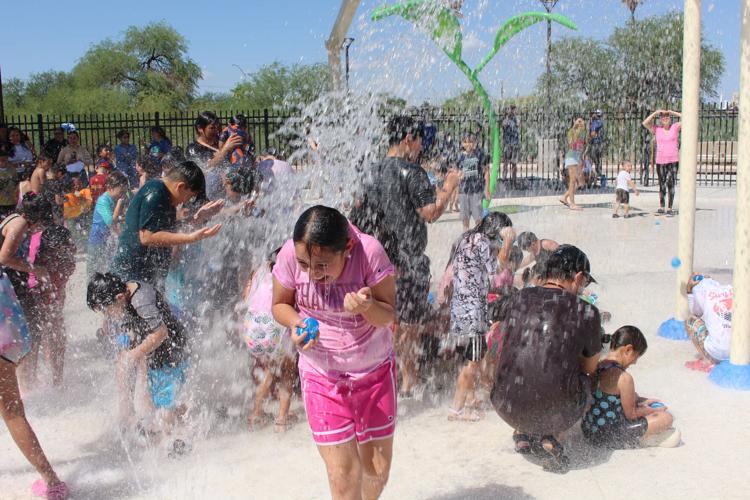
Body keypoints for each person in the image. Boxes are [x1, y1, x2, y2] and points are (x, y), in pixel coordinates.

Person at [272, 205, 397, 500]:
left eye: (322, 266)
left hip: (374, 373)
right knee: (343, 476)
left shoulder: (369, 253)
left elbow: (388, 315)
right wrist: (296, 323)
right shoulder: (290, 253)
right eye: (305, 265)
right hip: (322, 377)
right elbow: (280, 305)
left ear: (347, 248)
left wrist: (367, 307)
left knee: (376, 471)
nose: (313, 274)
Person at [350, 115, 460, 396]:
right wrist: (449, 187)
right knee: (408, 323)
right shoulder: (412, 172)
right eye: (420, 140)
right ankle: (408, 378)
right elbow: (431, 213)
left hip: (374, 263)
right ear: (408, 138)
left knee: (379, 318)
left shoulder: (370, 171)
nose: (422, 147)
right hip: (408, 262)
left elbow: (357, 217)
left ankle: (382, 374)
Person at [491, 245, 601, 472]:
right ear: (578, 277)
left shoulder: (519, 297)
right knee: (587, 378)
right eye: (585, 282)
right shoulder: (586, 311)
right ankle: (551, 436)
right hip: (555, 411)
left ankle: (522, 431)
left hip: (504, 404)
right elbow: (589, 367)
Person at [86, 272, 188, 446]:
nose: (107, 315)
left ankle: (178, 441)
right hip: (155, 353)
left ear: (118, 297)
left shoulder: (141, 300)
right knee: (157, 402)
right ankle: (174, 427)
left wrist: (133, 355)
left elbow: (161, 333)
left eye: (106, 310)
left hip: (171, 352)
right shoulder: (124, 295)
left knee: (165, 409)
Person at [0, 242, 68, 499]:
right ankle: (52, 481)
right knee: (13, 411)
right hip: (9, 327)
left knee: (11, 411)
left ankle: (53, 483)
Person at [110, 160, 223, 288]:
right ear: (180, 187)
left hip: (146, 274)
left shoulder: (164, 195)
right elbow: (147, 237)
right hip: (132, 274)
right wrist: (190, 238)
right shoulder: (156, 193)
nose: (187, 201)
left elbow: (166, 228)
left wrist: (198, 218)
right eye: (190, 196)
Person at [448, 213, 515, 422]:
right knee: (473, 362)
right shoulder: (482, 241)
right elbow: (497, 270)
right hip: (472, 311)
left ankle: (467, 401)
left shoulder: (467, 238)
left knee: (469, 358)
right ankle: (456, 410)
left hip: (460, 307)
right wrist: (509, 242)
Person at [582, 326, 680, 448]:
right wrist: (652, 410)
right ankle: (643, 440)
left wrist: (642, 400)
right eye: (636, 357)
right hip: (607, 436)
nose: (635, 362)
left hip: (588, 430)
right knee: (665, 418)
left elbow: (611, 397)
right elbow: (631, 415)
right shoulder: (624, 378)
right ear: (628, 350)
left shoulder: (597, 366)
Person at [241, 248, 296, 432]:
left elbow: (245, 298)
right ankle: (281, 418)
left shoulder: (259, 273)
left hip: (252, 330)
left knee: (269, 372)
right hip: (273, 330)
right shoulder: (287, 278)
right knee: (287, 372)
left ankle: (256, 413)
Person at [24, 224, 76, 388]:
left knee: (57, 335)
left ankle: (57, 381)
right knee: (34, 338)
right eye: (56, 252)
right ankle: (29, 381)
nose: (62, 253)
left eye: (65, 250)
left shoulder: (67, 261)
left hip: (53, 299)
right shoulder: (37, 262)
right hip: (34, 298)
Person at [186, 111, 244, 200]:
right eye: (212, 128)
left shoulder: (220, 143)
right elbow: (204, 168)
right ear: (200, 128)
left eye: (217, 127)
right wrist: (225, 150)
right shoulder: (193, 148)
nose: (216, 131)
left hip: (230, 192)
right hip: (207, 198)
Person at [684, 274, 733, 372]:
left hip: (716, 352)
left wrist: (689, 290)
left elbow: (695, 313)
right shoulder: (731, 288)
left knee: (690, 321)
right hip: (739, 350)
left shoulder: (701, 292)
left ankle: (707, 361)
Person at [87, 171, 128, 279]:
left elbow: (117, 221)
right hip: (97, 238)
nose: (122, 195)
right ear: (110, 187)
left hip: (106, 237)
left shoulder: (112, 199)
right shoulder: (103, 200)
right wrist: (119, 203)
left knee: (107, 265)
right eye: (120, 192)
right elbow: (110, 221)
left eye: (124, 192)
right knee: (93, 270)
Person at [642, 109, 682, 216]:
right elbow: (645, 123)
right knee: (662, 184)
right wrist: (656, 113)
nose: (665, 118)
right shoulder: (657, 129)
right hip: (660, 161)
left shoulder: (675, 127)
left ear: (670, 118)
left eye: (667, 117)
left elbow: (687, 119)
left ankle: (669, 207)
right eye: (663, 117)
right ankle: (662, 206)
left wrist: (672, 112)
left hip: (673, 160)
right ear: (660, 119)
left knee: (671, 184)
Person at [455, 133, 490, 231]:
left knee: (478, 217)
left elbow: (486, 172)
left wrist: (487, 190)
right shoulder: (460, 157)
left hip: (476, 191)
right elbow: (457, 176)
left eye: (470, 142)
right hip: (464, 191)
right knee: (465, 217)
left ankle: (479, 236)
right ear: (462, 144)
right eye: (465, 142)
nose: (468, 144)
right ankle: (466, 235)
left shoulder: (479, 155)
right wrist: (457, 193)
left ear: (474, 143)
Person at [560, 116, 587, 211]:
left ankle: (564, 197)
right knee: (572, 181)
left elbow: (582, 146)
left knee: (581, 183)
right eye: (578, 121)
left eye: (581, 121)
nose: (580, 123)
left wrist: (582, 158)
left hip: (577, 158)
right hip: (571, 157)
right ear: (574, 122)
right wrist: (576, 130)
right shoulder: (571, 131)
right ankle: (572, 204)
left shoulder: (583, 133)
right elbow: (572, 144)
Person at [501, 106, 520, 186]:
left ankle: (514, 180)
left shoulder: (516, 119)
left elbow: (518, 125)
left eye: (513, 110)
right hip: (507, 144)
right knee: (505, 162)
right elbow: (503, 126)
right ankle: (504, 178)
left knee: (514, 163)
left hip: (514, 144)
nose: (512, 111)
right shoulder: (505, 120)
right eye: (510, 110)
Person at [0, 145, 19, 220]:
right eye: (1, 160)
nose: (2, 162)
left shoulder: (12, 170)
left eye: (4, 160)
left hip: (12, 200)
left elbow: (16, 183)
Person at [588, 110, 605, 182]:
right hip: (599, 143)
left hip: (595, 143)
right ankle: (598, 173)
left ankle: (590, 174)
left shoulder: (595, 123)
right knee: (598, 160)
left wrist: (589, 139)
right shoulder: (600, 122)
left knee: (592, 159)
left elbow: (592, 133)